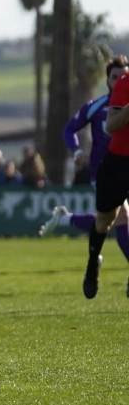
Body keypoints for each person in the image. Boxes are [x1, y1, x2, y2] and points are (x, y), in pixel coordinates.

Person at [38, 56, 129, 288]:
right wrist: (77, 151)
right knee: (115, 218)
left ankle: (66, 219)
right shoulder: (96, 106)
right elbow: (69, 129)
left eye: (122, 75)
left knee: (119, 218)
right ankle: (70, 224)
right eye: (114, 76)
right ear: (108, 79)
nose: (119, 79)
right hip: (105, 170)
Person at [77, 66, 129, 299]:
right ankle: (92, 265)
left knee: (124, 218)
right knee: (104, 222)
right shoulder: (125, 83)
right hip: (118, 163)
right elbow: (112, 125)